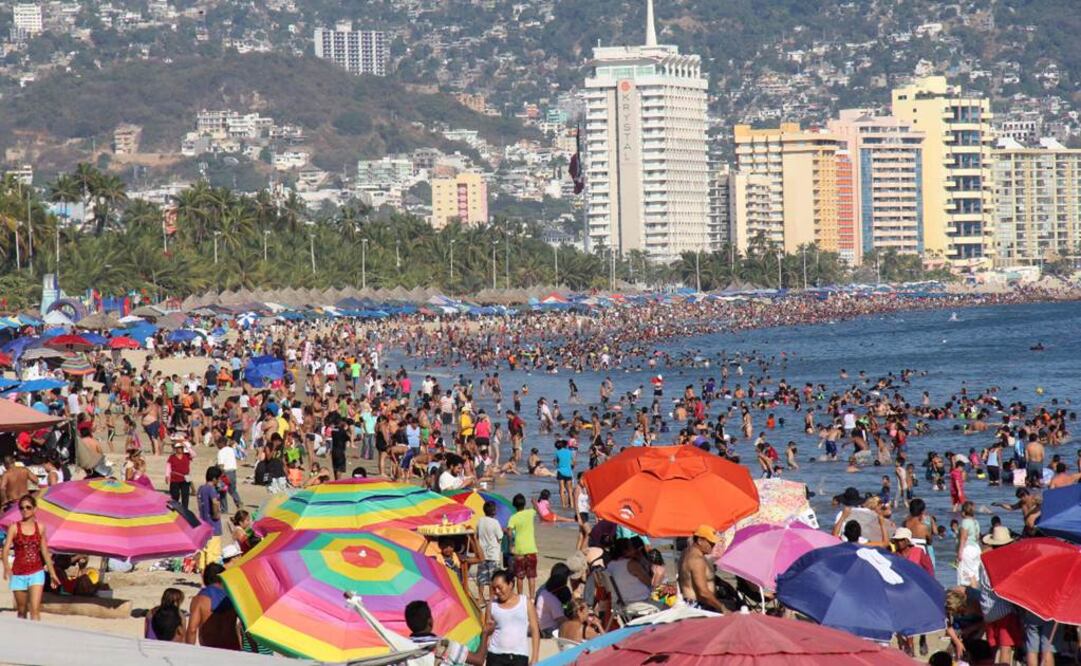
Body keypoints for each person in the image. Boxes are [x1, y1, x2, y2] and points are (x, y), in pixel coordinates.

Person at [1, 495, 58, 620]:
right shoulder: (14, 527)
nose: (25, 510)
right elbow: (5, 549)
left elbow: (44, 551)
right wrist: (6, 567)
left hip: (36, 572)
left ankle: (37, 637)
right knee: (21, 611)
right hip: (18, 572)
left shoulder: (41, 528)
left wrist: (53, 573)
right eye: (21, 508)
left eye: (28, 507)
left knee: (35, 609)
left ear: (35, 509)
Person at [404, 599, 487, 666]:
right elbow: (479, 660)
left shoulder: (402, 649)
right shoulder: (444, 645)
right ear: (430, 621)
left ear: (408, 625)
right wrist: (485, 634)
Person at [485, 569, 540, 665]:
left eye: (500, 587)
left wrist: (535, 657)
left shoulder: (525, 602)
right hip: (494, 654)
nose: (497, 591)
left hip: (519, 656)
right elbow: (487, 632)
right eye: (494, 588)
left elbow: (535, 630)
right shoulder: (491, 605)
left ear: (510, 584)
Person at [186, 562, 240, 650]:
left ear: (205, 578)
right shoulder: (234, 597)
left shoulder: (199, 600)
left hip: (210, 650)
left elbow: (192, 630)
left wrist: (188, 652)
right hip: (232, 648)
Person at [677, 525, 725, 613]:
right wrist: (722, 608)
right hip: (699, 607)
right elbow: (703, 592)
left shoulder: (685, 552)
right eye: (710, 542)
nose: (713, 545)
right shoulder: (697, 560)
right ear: (700, 541)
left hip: (689, 604)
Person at [506, 494, 538, 597]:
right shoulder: (530, 513)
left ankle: (520, 596)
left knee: (519, 576)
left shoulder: (513, 517)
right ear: (524, 503)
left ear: (514, 505)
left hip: (519, 549)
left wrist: (511, 545)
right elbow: (537, 510)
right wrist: (534, 502)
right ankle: (532, 597)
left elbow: (509, 533)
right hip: (531, 548)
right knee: (531, 576)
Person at [534, 563, 572, 637]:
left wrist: (566, 606)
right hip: (549, 628)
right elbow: (561, 619)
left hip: (544, 622)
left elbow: (565, 606)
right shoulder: (551, 598)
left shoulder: (545, 590)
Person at [475, 501, 503, 602]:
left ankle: (481, 597)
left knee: (481, 578)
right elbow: (500, 538)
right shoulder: (495, 522)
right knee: (493, 578)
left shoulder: (480, 521)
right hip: (493, 554)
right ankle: (491, 598)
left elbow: (476, 536)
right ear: (494, 511)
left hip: (482, 553)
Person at [197, 466, 224, 569]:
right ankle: (210, 579)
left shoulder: (201, 489)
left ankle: (203, 578)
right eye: (219, 478)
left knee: (204, 552)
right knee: (213, 554)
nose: (220, 481)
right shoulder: (212, 490)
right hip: (213, 527)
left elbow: (200, 505)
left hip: (203, 525)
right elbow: (215, 503)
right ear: (214, 479)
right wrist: (216, 515)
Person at [955, 501, 981, 587]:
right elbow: (977, 537)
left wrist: (959, 553)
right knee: (974, 574)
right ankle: (975, 596)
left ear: (963, 512)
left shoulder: (965, 522)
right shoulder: (976, 522)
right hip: (976, 548)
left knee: (965, 576)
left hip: (967, 549)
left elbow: (963, 538)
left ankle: (965, 597)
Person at [216, 439, 242, 511]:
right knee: (232, 490)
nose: (217, 446)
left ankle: (224, 508)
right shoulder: (230, 450)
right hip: (233, 472)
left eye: (217, 444)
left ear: (221, 443)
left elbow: (221, 465)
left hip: (225, 473)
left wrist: (221, 475)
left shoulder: (221, 452)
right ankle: (239, 503)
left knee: (222, 491)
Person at [166, 442, 193, 511]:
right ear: (175, 449)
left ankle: (185, 509)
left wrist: (187, 447)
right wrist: (167, 475)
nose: (180, 449)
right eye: (178, 448)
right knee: (175, 495)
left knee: (185, 495)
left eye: (181, 447)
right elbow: (168, 466)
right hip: (175, 479)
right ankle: (174, 508)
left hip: (185, 479)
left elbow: (194, 454)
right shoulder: (172, 457)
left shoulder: (187, 456)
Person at [554, 440, 574, 509]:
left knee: (562, 489)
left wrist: (557, 465)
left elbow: (555, 462)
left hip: (561, 471)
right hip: (569, 472)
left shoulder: (557, 452)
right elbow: (573, 462)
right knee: (570, 489)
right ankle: (571, 505)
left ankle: (563, 505)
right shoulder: (569, 452)